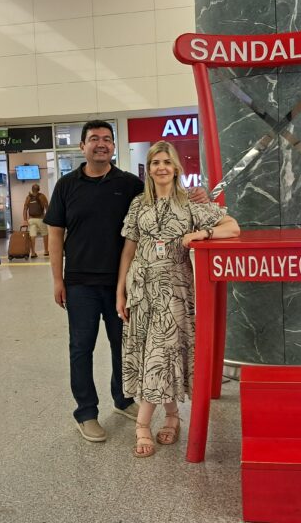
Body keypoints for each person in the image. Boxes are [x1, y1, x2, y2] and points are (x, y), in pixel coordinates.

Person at [44, 120, 208, 443]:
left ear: (113, 147)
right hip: (79, 282)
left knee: (125, 345)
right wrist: (57, 280)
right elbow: (55, 235)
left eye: (107, 139)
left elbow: (161, 196)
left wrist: (196, 194)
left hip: (124, 283)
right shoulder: (66, 185)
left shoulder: (130, 184)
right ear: (82, 146)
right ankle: (86, 412)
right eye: (94, 139)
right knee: (81, 348)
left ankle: (123, 399)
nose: (101, 144)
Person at [116, 141, 240, 458]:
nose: (161, 167)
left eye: (166, 162)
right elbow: (129, 249)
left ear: (176, 168)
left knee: (162, 351)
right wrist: (120, 291)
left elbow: (232, 227)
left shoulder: (190, 204)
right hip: (141, 288)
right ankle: (172, 416)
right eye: (155, 162)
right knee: (152, 353)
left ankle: (142, 425)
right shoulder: (138, 204)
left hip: (175, 288)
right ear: (149, 169)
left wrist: (203, 234)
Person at [23, 183, 49, 258]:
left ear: (32, 189)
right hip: (41, 219)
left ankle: (33, 253)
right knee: (45, 234)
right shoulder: (42, 196)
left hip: (31, 219)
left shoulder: (28, 197)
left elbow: (25, 209)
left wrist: (25, 220)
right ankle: (46, 251)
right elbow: (47, 207)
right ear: (39, 189)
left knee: (32, 235)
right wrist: (47, 217)